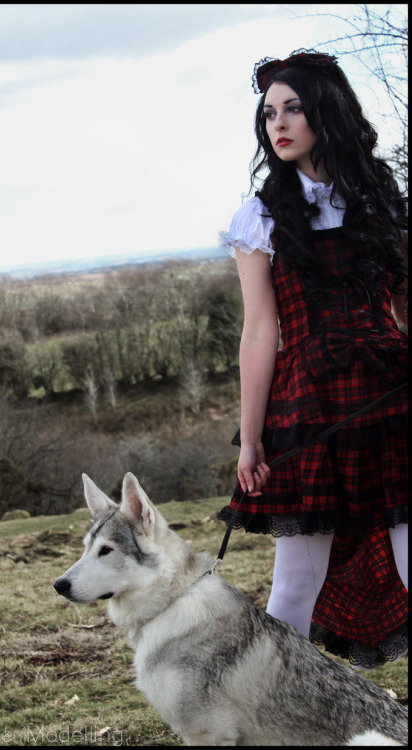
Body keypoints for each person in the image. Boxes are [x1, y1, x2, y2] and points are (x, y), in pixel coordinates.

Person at [217, 49, 408, 669]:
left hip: (393, 398)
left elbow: (405, 302)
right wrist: (250, 441)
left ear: (327, 111)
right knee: (296, 581)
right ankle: (271, 715)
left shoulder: (380, 196)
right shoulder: (261, 217)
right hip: (311, 410)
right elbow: (259, 332)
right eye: (269, 113)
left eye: (294, 108)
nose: (279, 124)